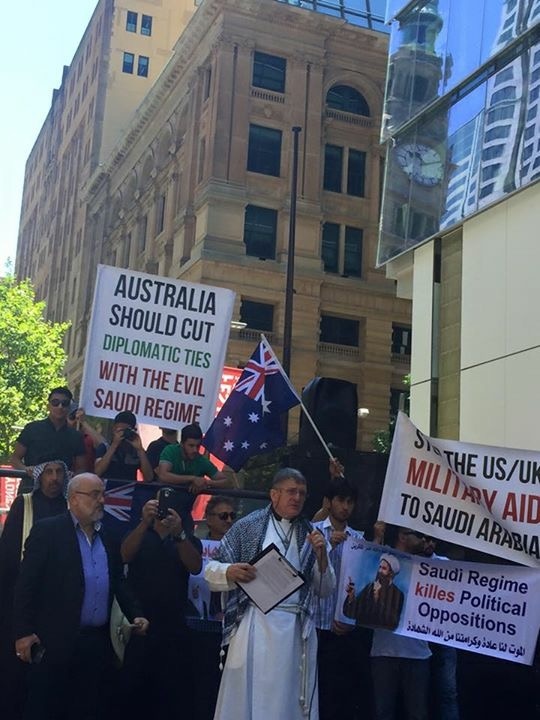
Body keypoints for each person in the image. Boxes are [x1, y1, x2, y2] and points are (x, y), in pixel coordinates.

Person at [13, 473, 149, 720]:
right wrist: (23, 632)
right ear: (74, 499)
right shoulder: (49, 531)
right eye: (94, 494)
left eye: (102, 494)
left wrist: (136, 613)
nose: (101, 500)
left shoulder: (106, 536)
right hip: (54, 641)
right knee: (45, 708)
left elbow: (117, 580)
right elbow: (26, 585)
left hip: (95, 643)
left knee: (87, 708)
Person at [205, 468, 335, 720]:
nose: (296, 497)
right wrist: (230, 571)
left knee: (286, 702)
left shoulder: (312, 535)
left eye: (302, 493)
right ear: (273, 495)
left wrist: (322, 558)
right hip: (255, 626)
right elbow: (211, 570)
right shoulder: (247, 526)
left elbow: (325, 589)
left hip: (295, 633)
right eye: (290, 491)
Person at [120, 496, 202, 718]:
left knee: (170, 693)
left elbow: (195, 567)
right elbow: (124, 555)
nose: (164, 514)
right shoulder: (139, 533)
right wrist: (144, 522)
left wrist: (179, 533)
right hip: (139, 623)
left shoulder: (188, 540)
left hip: (173, 625)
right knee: (133, 690)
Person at [0, 461, 69, 720]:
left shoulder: (69, 507)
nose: (54, 478)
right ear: (39, 477)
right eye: (48, 472)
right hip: (20, 601)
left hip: (55, 604)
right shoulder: (24, 504)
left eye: (59, 472)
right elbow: (7, 556)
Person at [312, 478, 367, 720]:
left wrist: (350, 620)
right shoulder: (313, 532)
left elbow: (363, 584)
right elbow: (305, 572)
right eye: (341, 500)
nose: (345, 507)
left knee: (342, 695)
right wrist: (329, 547)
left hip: (344, 628)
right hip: (316, 625)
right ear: (329, 502)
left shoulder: (359, 539)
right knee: (315, 692)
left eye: (350, 502)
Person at [368, 526, 431, 720]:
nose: (423, 540)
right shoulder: (381, 558)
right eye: (418, 535)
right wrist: (377, 538)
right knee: (383, 713)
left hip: (417, 654)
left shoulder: (431, 565)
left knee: (417, 714)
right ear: (402, 536)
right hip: (384, 653)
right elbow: (363, 564)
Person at [188, 496, 237, 720]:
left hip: (231, 630)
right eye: (223, 516)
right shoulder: (196, 546)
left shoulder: (240, 549)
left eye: (232, 516)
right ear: (209, 519)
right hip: (199, 626)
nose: (228, 520)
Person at [9, 387, 87, 492]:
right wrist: (25, 469)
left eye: (65, 403)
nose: (60, 407)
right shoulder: (32, 428)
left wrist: (73, 476)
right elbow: (14, 459)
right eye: (55, 402)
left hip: (60, 491)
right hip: (31, 487)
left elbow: (81, 469)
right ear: (48, 406)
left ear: (69, 407)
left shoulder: (76, 436)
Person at [423, 536, 460, 720]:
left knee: (448, 693)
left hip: (444, 639)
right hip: (418, 641)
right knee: (420, 697)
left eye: (433, 540)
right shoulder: (409, 563)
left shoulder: (445, 564)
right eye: (425, 539)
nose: (429, 544)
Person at [157, 422, 230, 513]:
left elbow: (225, 481)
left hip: (184, 510)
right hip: (163, 507)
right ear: (182, 444)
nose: (195, 450)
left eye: (198, 446)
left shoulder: (201, 461)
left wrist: (205, 482)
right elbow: (163, 475)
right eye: (191, 446)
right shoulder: (170, 451)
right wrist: (193, 479)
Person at [343, 552, 404, 631]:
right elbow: (352, 613)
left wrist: (378, 598)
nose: (380, 571)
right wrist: (351, 596)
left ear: (391, 573)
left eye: (384, 568)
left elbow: (393, 623)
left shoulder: (398, 594)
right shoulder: (370, 587)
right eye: (380, 567)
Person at [95, 410, 153, 482]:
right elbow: (97, 472)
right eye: (120, 430)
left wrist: (140, 450)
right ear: (114, 429)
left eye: (126, 430)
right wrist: (114, 445)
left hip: (128, 490)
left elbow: (149, 478)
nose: (123, 433)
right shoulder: (104, 447)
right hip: (106, 488)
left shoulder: (136, 452)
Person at [67, 404, 105, 473]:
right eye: (72, 417)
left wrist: (83, 422)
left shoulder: (86, 438)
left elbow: (102, 445)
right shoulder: (57, 435)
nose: (76, 419)